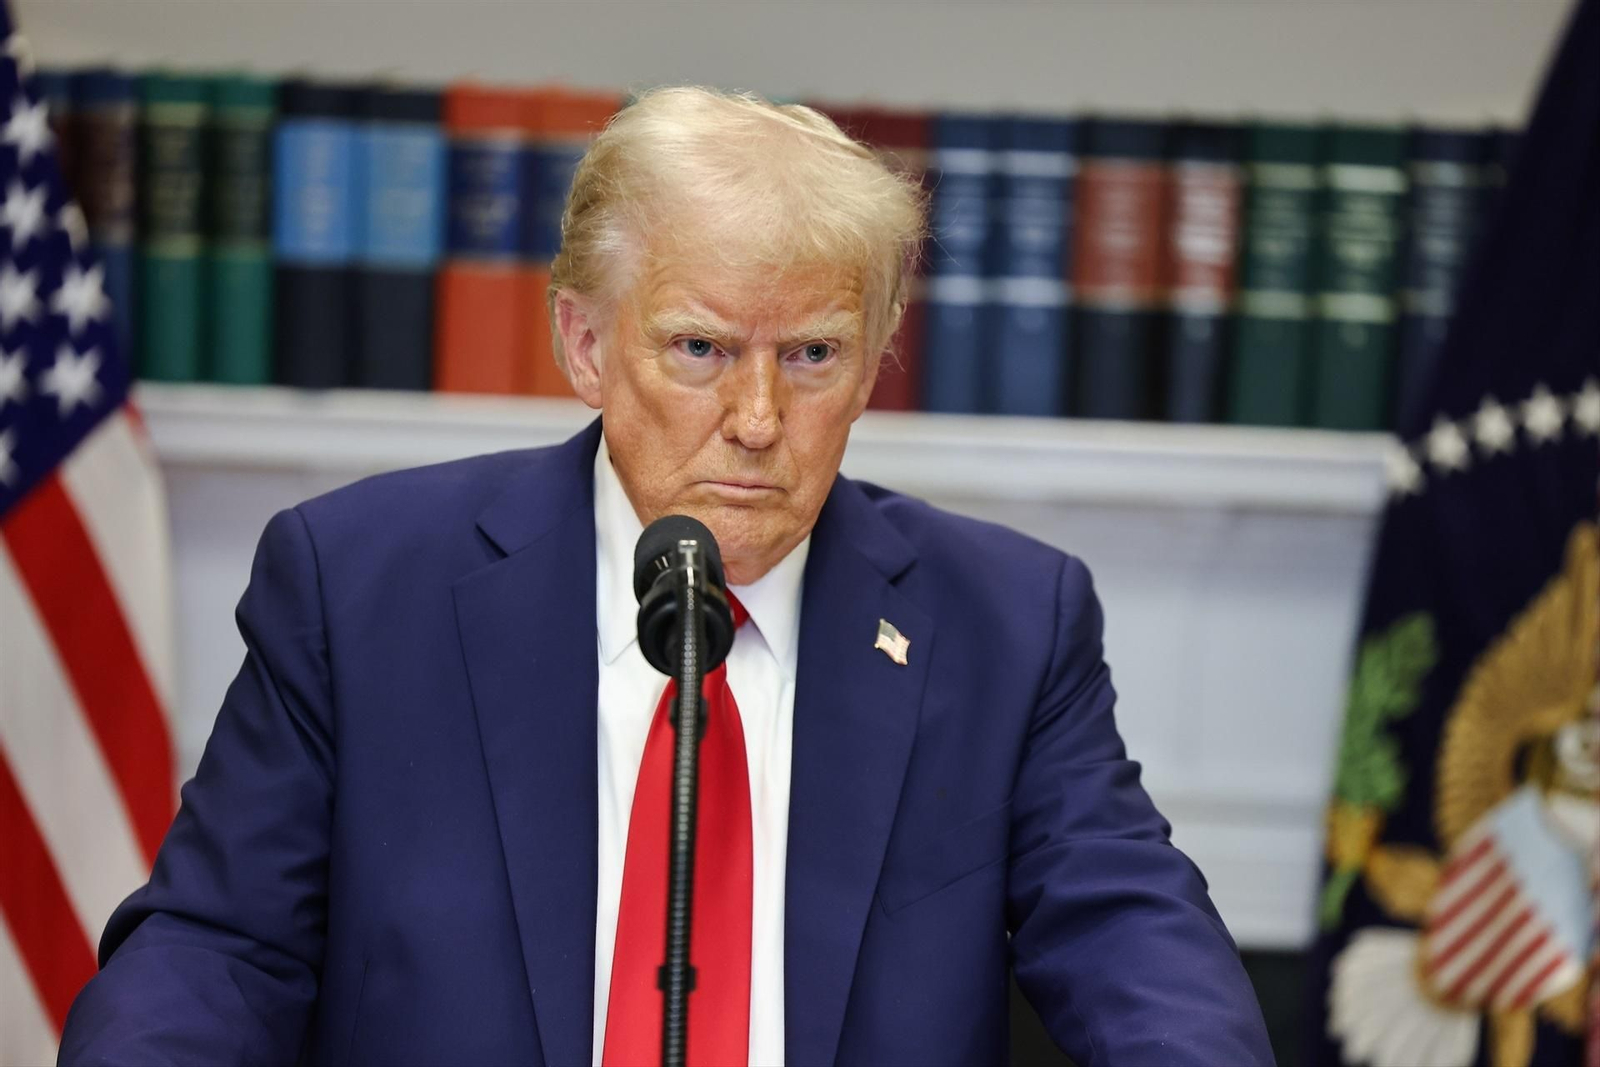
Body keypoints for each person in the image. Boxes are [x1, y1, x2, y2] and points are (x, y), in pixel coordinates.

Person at [59, 87, 1272, 1066]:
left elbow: (1128, 931)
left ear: (872, 365)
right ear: (585, 344)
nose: (756, 416)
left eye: (812, 354)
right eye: (699, 348)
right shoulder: (361, 584)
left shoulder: (1004, 622)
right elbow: (221, 949)